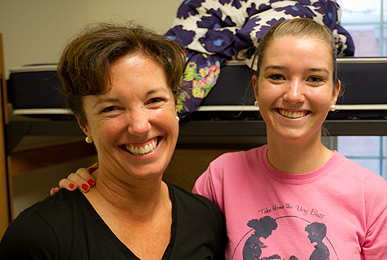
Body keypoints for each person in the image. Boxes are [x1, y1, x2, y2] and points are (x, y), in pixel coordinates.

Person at [50, 18, 387, 259]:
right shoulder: (220, 177)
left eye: (314, 79)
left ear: (335, 93)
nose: (293, 94)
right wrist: (98, 181)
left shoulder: (373, 197)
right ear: (255, 88)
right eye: (276, 76)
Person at [0, 23, 226, 259]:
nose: (139, 126)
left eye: (154, 100)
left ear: (176, 106)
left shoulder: (205, 218)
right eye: (111, 108)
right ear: (84, 123)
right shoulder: (38, 237)